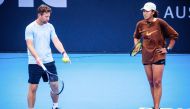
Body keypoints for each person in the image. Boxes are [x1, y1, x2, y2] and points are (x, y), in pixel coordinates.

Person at [133, 2, 179, 109]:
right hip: (146, 56)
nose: (144, 13)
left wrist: (168, 49)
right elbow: (136, 37)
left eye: (147, 11)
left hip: (158, 55)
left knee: (157, 82)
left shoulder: (160, 22)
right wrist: (137, 46)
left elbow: (174, 35)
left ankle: (157, 107)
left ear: (153, 12)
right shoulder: (140, 24)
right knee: (151, 82)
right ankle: (155, 105)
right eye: (143, 11)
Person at [25, 4, 70, 109]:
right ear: (40, 15)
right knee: (33, 87)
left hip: (49, 61)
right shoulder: (30, 28)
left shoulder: (50, 26)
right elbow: (29, 45)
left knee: (55, 85)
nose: (48, 19)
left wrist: (64, 53)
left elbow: (56, 41)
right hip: (34, 62)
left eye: (49, 16)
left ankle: (55, 106)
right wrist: (36, 57)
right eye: (46, 16)